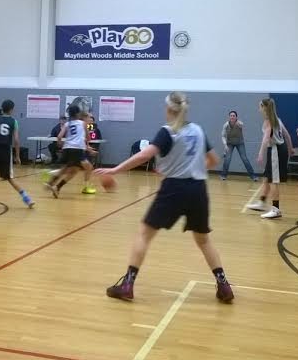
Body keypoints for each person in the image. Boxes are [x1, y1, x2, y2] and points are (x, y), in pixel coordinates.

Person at [97, 92, 233, 303]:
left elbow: (144, 155)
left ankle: (127, 285)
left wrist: (115, 170)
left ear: (169, 109)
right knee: (203, 240)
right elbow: (213, 160)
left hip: (174, 188)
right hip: (198, 189)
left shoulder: (168, 132)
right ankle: (224, 285)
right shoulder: (198, 130)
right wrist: (192, 168)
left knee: (144, 234)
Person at [247, 99, 293, 220]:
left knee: (273, 181)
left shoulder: (269, 122)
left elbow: (266, 139)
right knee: (267, 178)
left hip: (275, 151)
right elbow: (287, 135)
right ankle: (262, 202)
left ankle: (276, 209)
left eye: (260, 106)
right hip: (278, 149)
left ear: (264, 107)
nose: (259, 109)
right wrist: (290, 148)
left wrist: (260, 154)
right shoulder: (277, 119)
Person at [46, 105, 97, 196]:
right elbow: (88, 138)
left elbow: (59, 137)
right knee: (84, 168)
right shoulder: (83, 124)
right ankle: (85, 187)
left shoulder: (67, 124)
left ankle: (53, 184)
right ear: (78, 114)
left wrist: (61, 145)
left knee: (71, 169)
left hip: (67, 148)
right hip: (77, 150)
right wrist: (88, 144)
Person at [219, 110, 257, 181]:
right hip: (229, 143)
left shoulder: (239, 123)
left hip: (240, 143)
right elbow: (223, 136)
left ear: (236, 117)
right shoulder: (226, 125)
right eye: (231, 116)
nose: (232, 117)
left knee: (244, 158)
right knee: (227, 159)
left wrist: (239, 124)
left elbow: (242, 125)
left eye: (234, 116)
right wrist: (225, 145)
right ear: (229, 117)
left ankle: (253, 176)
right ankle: (223, 175)